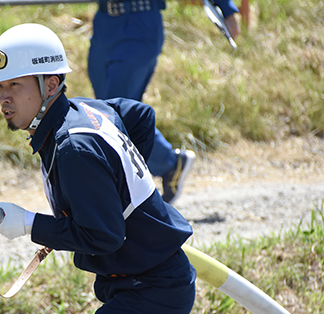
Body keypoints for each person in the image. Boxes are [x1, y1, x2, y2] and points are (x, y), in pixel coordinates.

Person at [0, 23, 204, 314]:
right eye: (0, 87)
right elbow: (139, 115)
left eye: (15, 85)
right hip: (154, 277)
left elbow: (103, 236)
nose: (3, 98)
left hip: (150, 288)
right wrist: (116, 184)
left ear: (50, 85)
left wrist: (27, 224)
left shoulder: (74, 147)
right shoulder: (85, 110)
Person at [88, 0, 241, 203]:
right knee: (108, 112)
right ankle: (169, 164)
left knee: (117, 111)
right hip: (104, 25)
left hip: (140, 24)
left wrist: (228, 10)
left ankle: (161, 166)